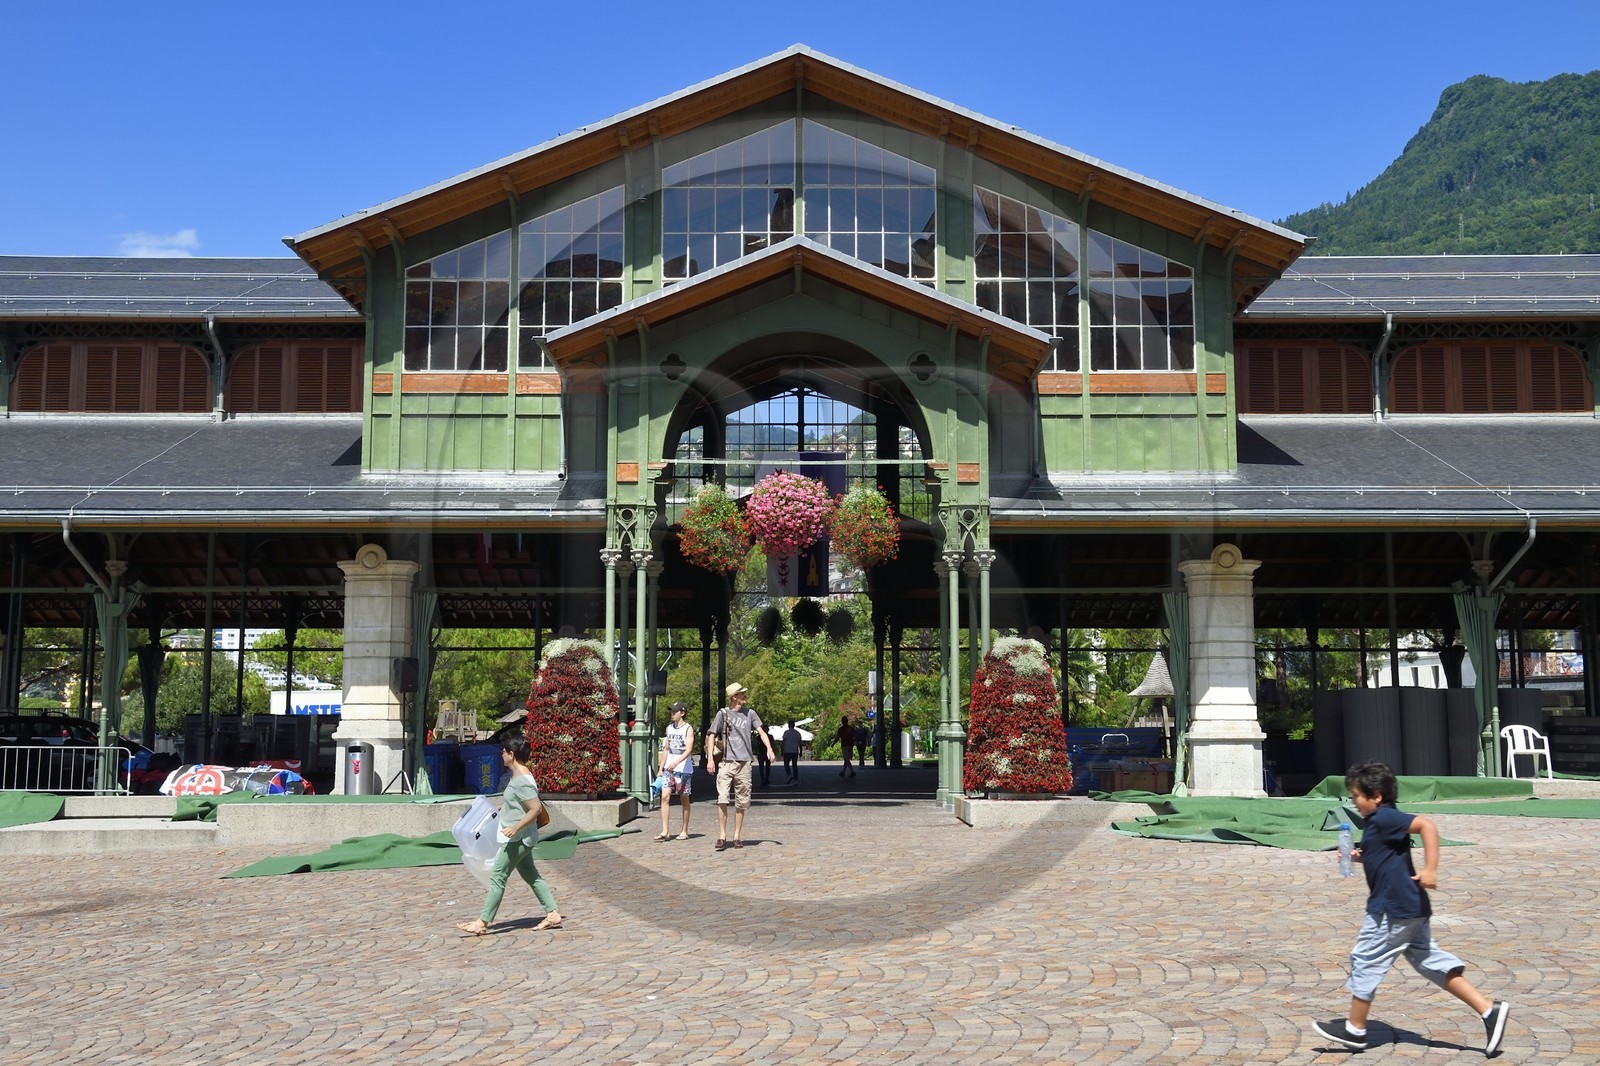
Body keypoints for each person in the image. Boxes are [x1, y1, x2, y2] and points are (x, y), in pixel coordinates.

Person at [1311, 761, 1509, 1055]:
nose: (1354, 802)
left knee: (1366, 958)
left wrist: (1430, 869)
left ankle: (1355, 1030)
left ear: (1375, 796)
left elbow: (1427, 825)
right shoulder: (1378, 824)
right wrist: (1359, 858)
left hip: (1392, 910)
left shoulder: (1386, 818)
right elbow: (1384, 855)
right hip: (1411, 908)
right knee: (1431, 962)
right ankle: (1488, 1010)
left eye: (1356, 796)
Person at [456, 736, 562, 937]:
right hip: (524, 837)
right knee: (531, 875)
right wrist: (503, 809)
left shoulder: (521, 780)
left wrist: (515, 827)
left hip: (518, 838)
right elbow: (520, 804)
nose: (501, 754)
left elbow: (535, 808)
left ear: (512, 755)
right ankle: (552, 913)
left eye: (504, 751)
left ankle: (482, 922)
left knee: (498, 877)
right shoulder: (519, 776)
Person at [704, 681, 775, 851]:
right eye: (742, 694)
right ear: (734, 697)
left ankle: (737, 836)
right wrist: (710, 759)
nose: (745, 696)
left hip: (744, 763)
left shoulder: (750, 713)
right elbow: (712, 734)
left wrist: (770, 749)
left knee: (741, 801)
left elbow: (762, 732)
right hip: (726, 762)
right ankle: (722, 836)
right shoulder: (723, 714)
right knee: (722, 798)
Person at [654, 701, 694, 841]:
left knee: (684, 798)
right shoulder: (669, 728)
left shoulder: (688, 729)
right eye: (671, 711)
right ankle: (665, 831)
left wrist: (676, 762)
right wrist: (661, 768)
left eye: (675, 711)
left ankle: (684, 830)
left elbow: (689, 750)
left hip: (683, 769)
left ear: (682, 713)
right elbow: (666, 749)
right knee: (665, 796)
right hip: (669, 769)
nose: (672, 713)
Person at [781, 719, 802, 786]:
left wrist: (782, 750)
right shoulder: (797, 733)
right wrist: (800, 751)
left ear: (788, 725)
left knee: (786, 764)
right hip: (794, 751)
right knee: (794, 765)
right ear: (794, 725)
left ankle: (789, 775)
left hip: (787, 751)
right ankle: (796, 779)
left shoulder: (786, 732)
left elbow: (783, 742)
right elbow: (800, 743)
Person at [752, 722, 773, 787]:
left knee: (761, 767)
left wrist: (755, 751)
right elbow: (772, 744)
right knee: (767, 767)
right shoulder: (770, 736)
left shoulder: (759, 737)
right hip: (766, 752)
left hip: (761, 753)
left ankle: (763, 779)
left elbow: (756, 744)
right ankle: (766, 779)